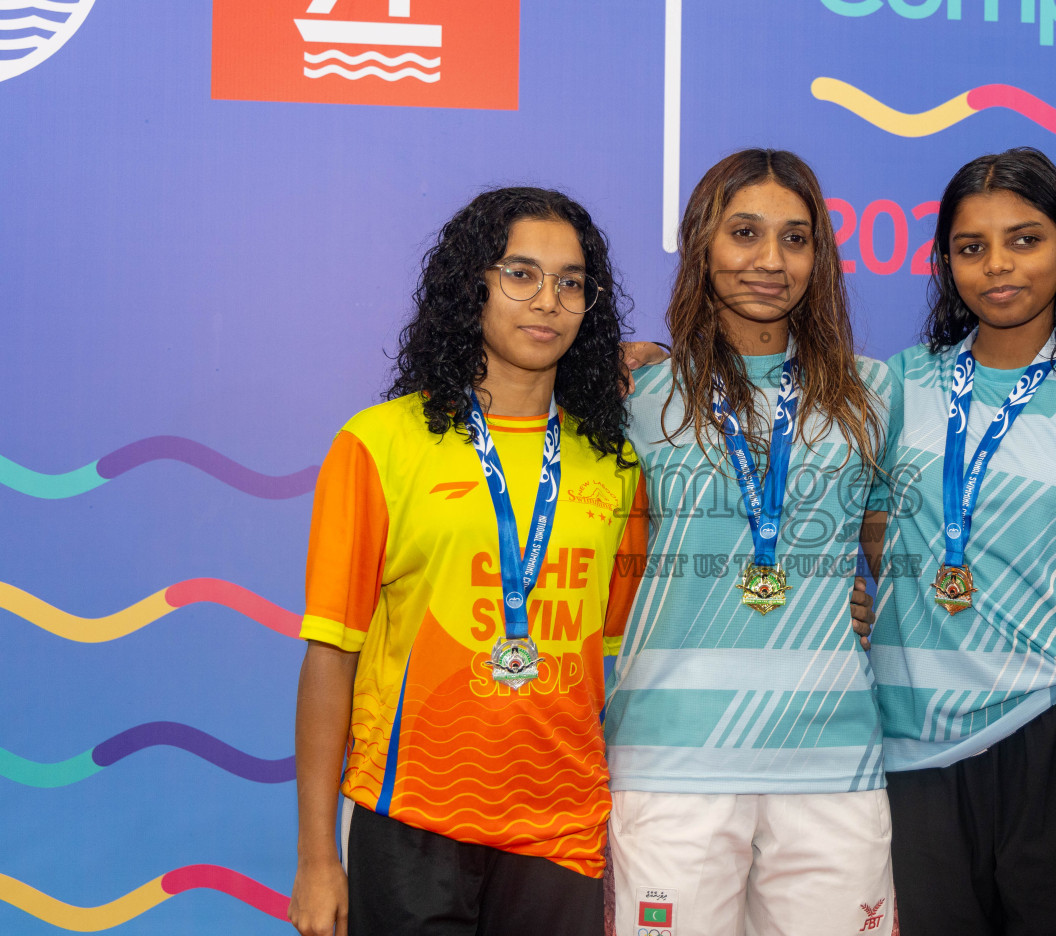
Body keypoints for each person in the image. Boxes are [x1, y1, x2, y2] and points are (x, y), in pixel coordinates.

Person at [288, 187, 647, 936]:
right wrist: (317, 855)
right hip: (412, 814)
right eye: (521, 274)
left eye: (571, 282)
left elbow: (630, 651)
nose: (548, 300)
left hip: (562, 826)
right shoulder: (379, 445)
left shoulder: (616, 463)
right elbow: (331, 657)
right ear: (471, 286)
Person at [860, 147, 1056, 934]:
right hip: (914, 752)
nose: (998, 265)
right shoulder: (899, 385)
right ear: (944, 262)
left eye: (1025, 239)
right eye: (971, 247)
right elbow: (869, 516)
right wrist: (890, 586)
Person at [604, 149, 896, 936]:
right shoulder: (637, 394)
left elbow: (912, 552)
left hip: (832, 762)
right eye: (744, 233)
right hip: (673, 762)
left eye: (795, 239)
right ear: (702, 243)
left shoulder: (872, 395)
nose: (770, 261)